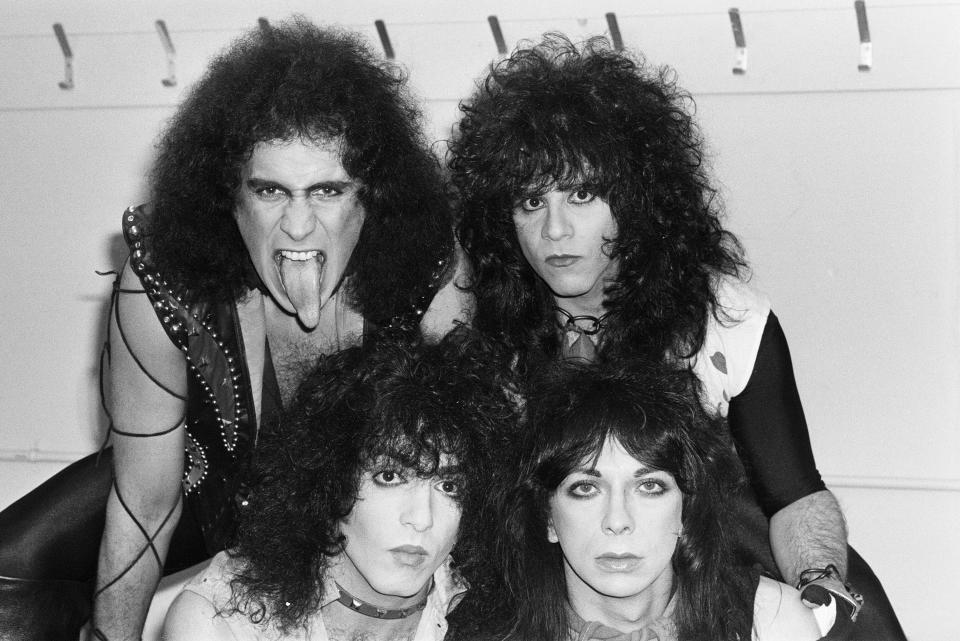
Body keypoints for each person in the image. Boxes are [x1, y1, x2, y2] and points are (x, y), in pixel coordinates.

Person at [0, 17, 469, 641]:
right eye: (271, 191)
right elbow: (145, 506)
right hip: (213, 489)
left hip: (357, 509)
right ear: (229, 198)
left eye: (326, 191)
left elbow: (460, 473)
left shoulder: (426, 271)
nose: (298, 227)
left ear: (371, 197)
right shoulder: (164, 278)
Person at [448, 34, 904, 639]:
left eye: (582, 194)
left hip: (730, 567)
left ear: (636, 199)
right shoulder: (482, 334)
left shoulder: (727, 320)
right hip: (553, 587)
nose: (555, 229)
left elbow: (794, 491)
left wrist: (818, 585)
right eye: (532, 201)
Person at [163, 336, 514, 641]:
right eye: (390, 477)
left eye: (449, 485)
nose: (422, 519)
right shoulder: (224, 620)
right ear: (327, 479)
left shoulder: (502, 615)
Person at [498, 360, 823, 641]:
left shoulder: (772, 623)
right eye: (586, 489)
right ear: (547, 516)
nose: (617, 521)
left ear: (686, 506)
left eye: (649, 486)